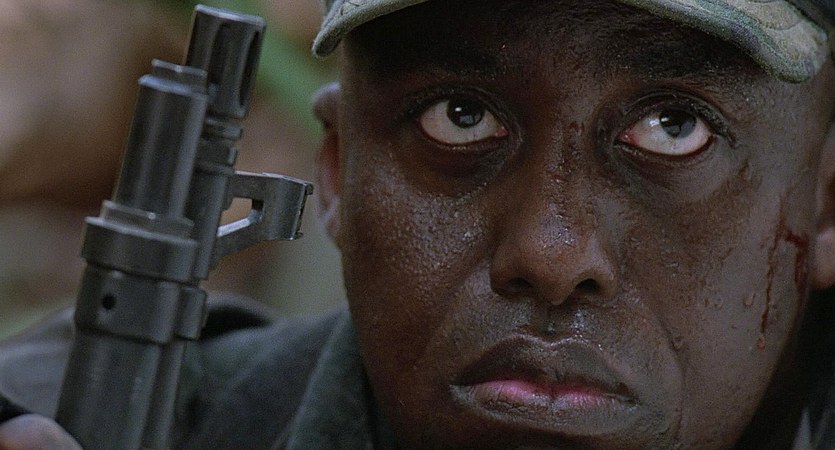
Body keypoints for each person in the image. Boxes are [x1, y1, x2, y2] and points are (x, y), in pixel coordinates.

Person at [2, 0, 835, 448]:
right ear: (337, 171)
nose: (550, 255)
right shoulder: (76, 415)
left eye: (672, 129)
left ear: (823, 204)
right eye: (460, 117)